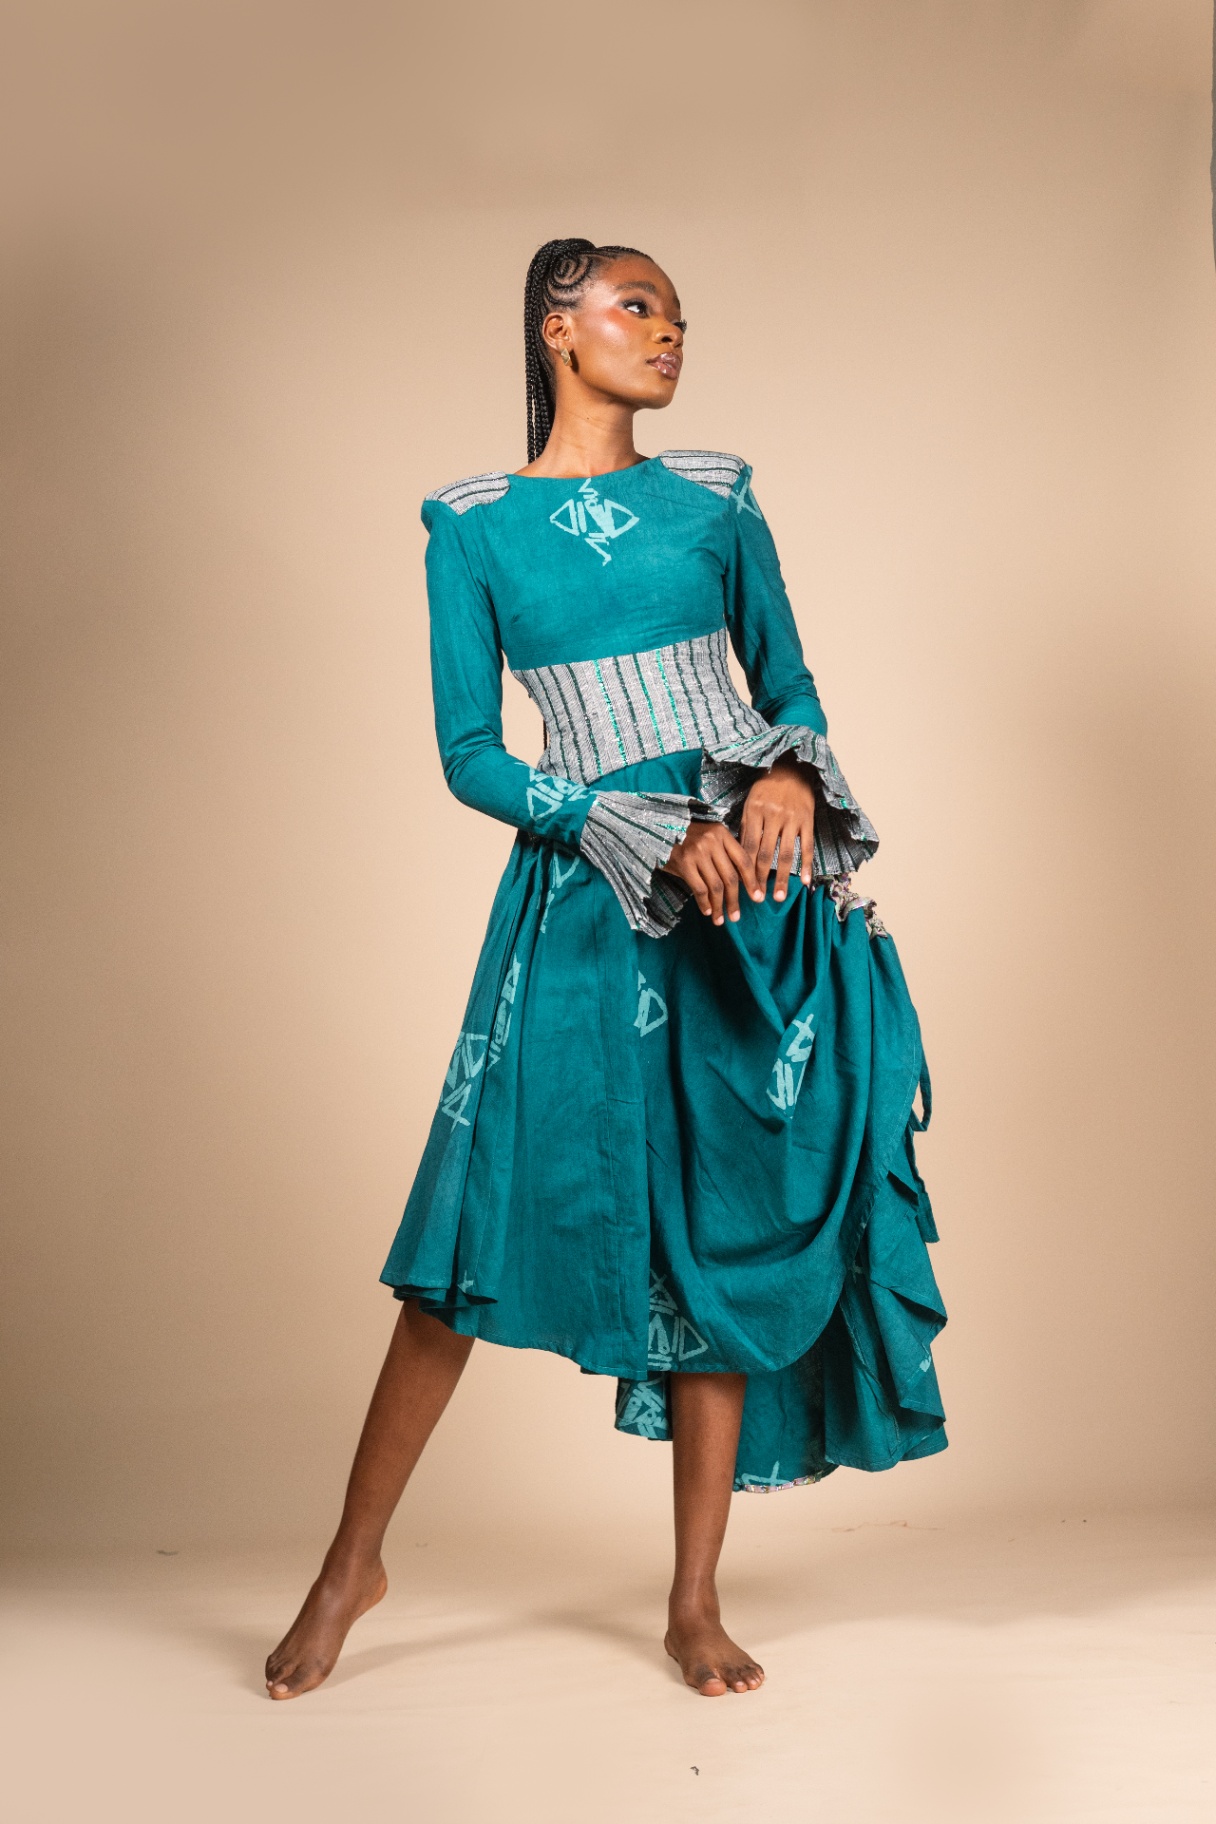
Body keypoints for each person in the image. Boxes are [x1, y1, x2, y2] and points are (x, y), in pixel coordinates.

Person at [266, 237, 946, 1702]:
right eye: (638, 307)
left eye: (678, 314)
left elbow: (789, 683)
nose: (669, 331)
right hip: (588, 901)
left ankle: (694, 1599)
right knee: (471, 1232)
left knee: (722, 1225)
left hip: (752, 907)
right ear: (556, 330)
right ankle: (348, 1567)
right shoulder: (474, 528)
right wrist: (629, 824)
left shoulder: (716, 497)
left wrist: (787, 777)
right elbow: (470, 756)